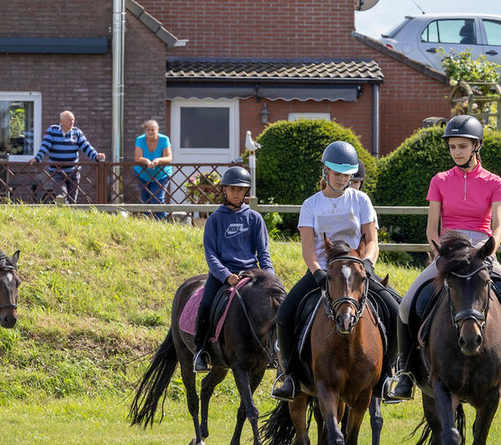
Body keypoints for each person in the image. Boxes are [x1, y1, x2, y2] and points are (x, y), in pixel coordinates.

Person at [387, 114, 501, 401]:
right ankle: (406, 373)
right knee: (407, 304)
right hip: (448, 251)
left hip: (482, 251)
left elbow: (498, 225)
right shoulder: (439, 180)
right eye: (452, 147)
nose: (457, 151)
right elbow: (431, 227)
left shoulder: (494, 182)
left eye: (462, 146)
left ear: (477, 146)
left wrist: (489, 251)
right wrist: (440, 253)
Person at [271, 141, 399, 400]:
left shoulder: (361, 200)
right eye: (337, 174)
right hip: (323, 271)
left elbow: (372, 240)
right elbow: (308, 247)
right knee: (284, 314)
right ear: (325, 172)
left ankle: (387, 377)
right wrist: (317, 271)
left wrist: (368, 264)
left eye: (347, 175)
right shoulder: (311, 205)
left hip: (358, 269)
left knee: (397, 310)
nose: (342, 180)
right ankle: (290, 377)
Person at [193, 166, 274, 372]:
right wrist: (225, 275)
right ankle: (199, 351)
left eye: (241, 189)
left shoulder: (255, 218)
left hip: (251, 273)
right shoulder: (215, 219)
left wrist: (270, 277)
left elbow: (263, 253)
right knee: (206, 305)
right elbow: (211, 254)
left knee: (275, 306)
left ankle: (275, 351)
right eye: (232, 189)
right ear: (224, 191)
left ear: (246, 192)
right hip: (222, 274)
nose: (236, 193)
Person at [30, 110, 106, 203]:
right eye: (69, 120)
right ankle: (61, 215)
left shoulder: (77, 132)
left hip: (73, 171)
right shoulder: (52, 130)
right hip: (57, 171)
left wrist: (96, 156)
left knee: (72, 199)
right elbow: (44, 146)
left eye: (73, 120)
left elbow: (86, 146)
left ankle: (71, 216)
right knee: (61, 196)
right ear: (62, 121)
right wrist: (37, 158)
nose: (72, 122)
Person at [133, 119, 173, 217]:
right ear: (145, 131)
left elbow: (168, 157)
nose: (150, 132)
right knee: (146, 200)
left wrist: (158, 160)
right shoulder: (140, 140)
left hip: (161, 175)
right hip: (142, 174)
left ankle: (162, 223)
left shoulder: (164, 139)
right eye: (148, 130)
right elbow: (137, 157)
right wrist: (146, 161)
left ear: (157, 130)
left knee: (157, 198)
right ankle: (147, 224)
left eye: (152, 130)